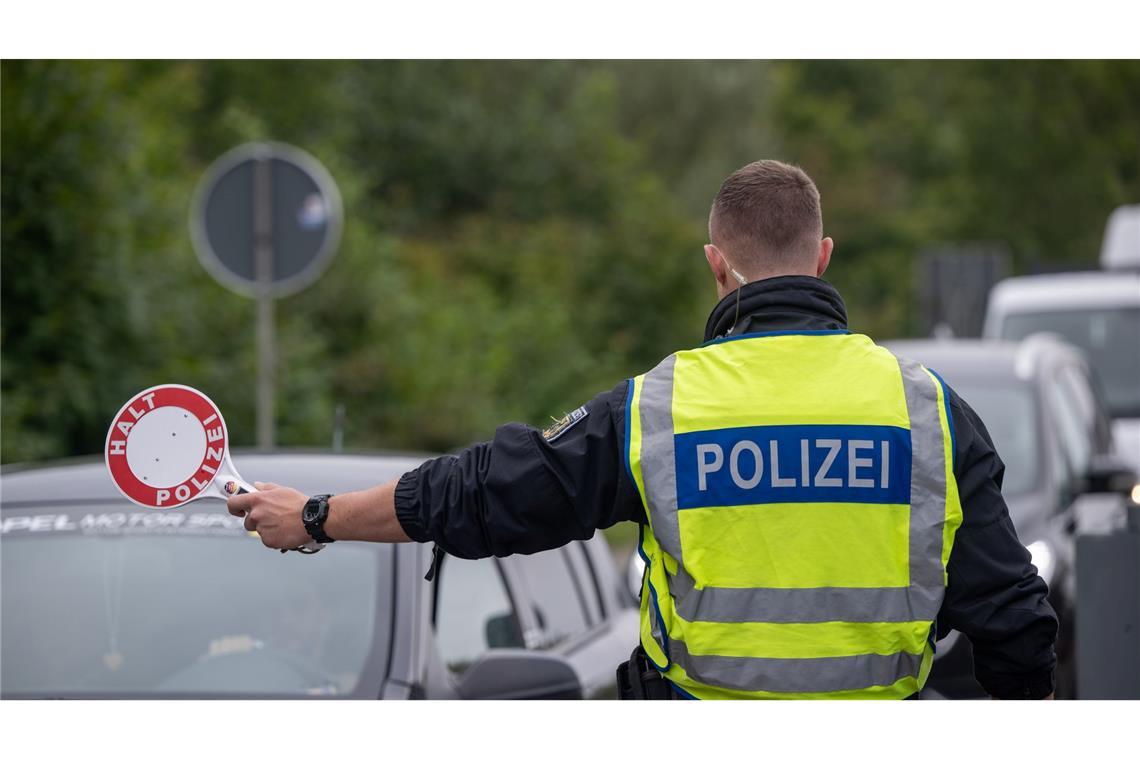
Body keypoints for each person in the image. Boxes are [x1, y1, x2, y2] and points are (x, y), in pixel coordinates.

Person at [228, 160, 1058, 700]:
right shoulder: (929, 412)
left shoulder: (660, 409)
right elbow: (1016, 621)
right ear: (823, 256)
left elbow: (487, 494)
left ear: (716, 263)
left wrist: (315, 517)